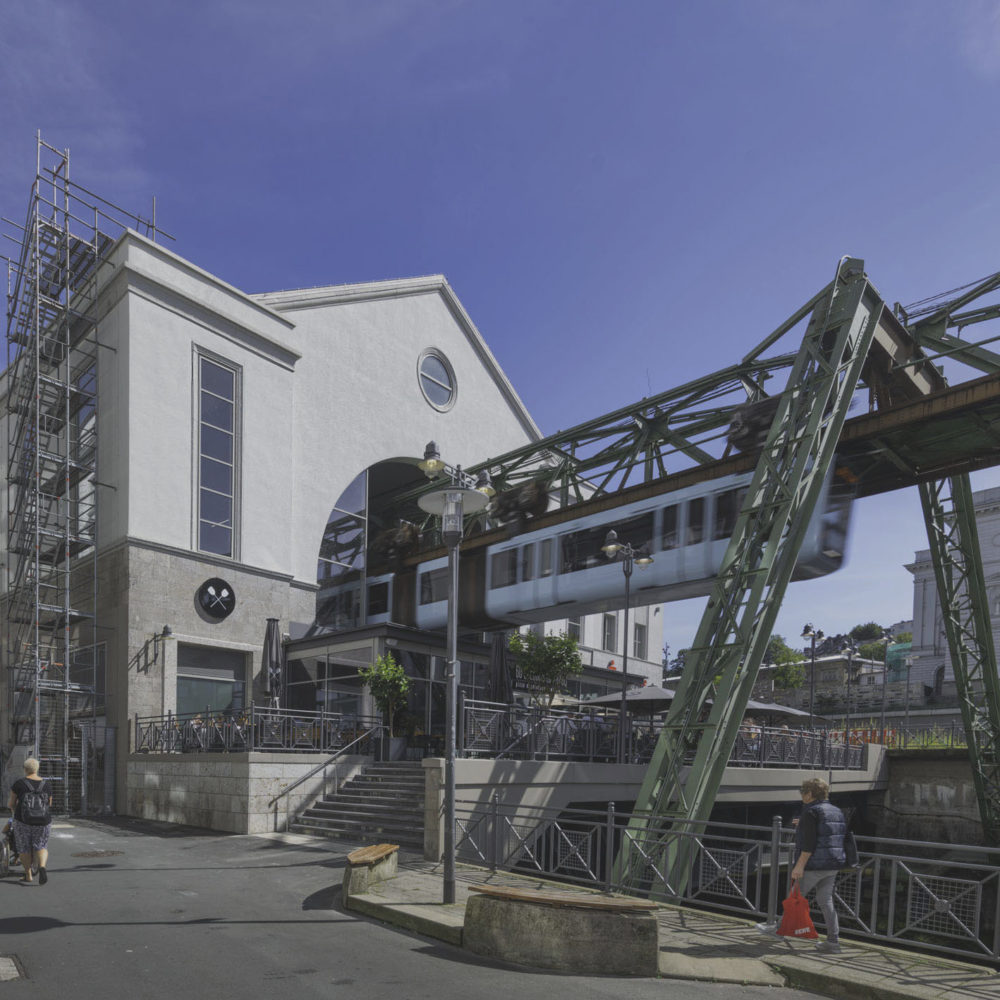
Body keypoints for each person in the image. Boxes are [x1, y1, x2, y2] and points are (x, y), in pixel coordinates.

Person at [790, 776, 847, 954]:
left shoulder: (810, 812)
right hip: (833, 863)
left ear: (810, 794)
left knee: (794, 898)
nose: (801, 795)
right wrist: (804, 825)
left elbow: (809, 845)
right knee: (825, 901)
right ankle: (833, 942)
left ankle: (779, 930)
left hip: (814, 865)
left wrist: (799, 866)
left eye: (802, 792)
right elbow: (828, 832)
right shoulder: (836, 810)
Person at [7, 757, 53, 886]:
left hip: (23, 821)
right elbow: (49, 803)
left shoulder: (19, 784)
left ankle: (28, 875)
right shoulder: (47, 784)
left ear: (25, 769)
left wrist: (15, 811)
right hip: (43, 821)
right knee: (41, 846)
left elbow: (11, 804)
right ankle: (42, 866)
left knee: (24, 848)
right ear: (37, 769)